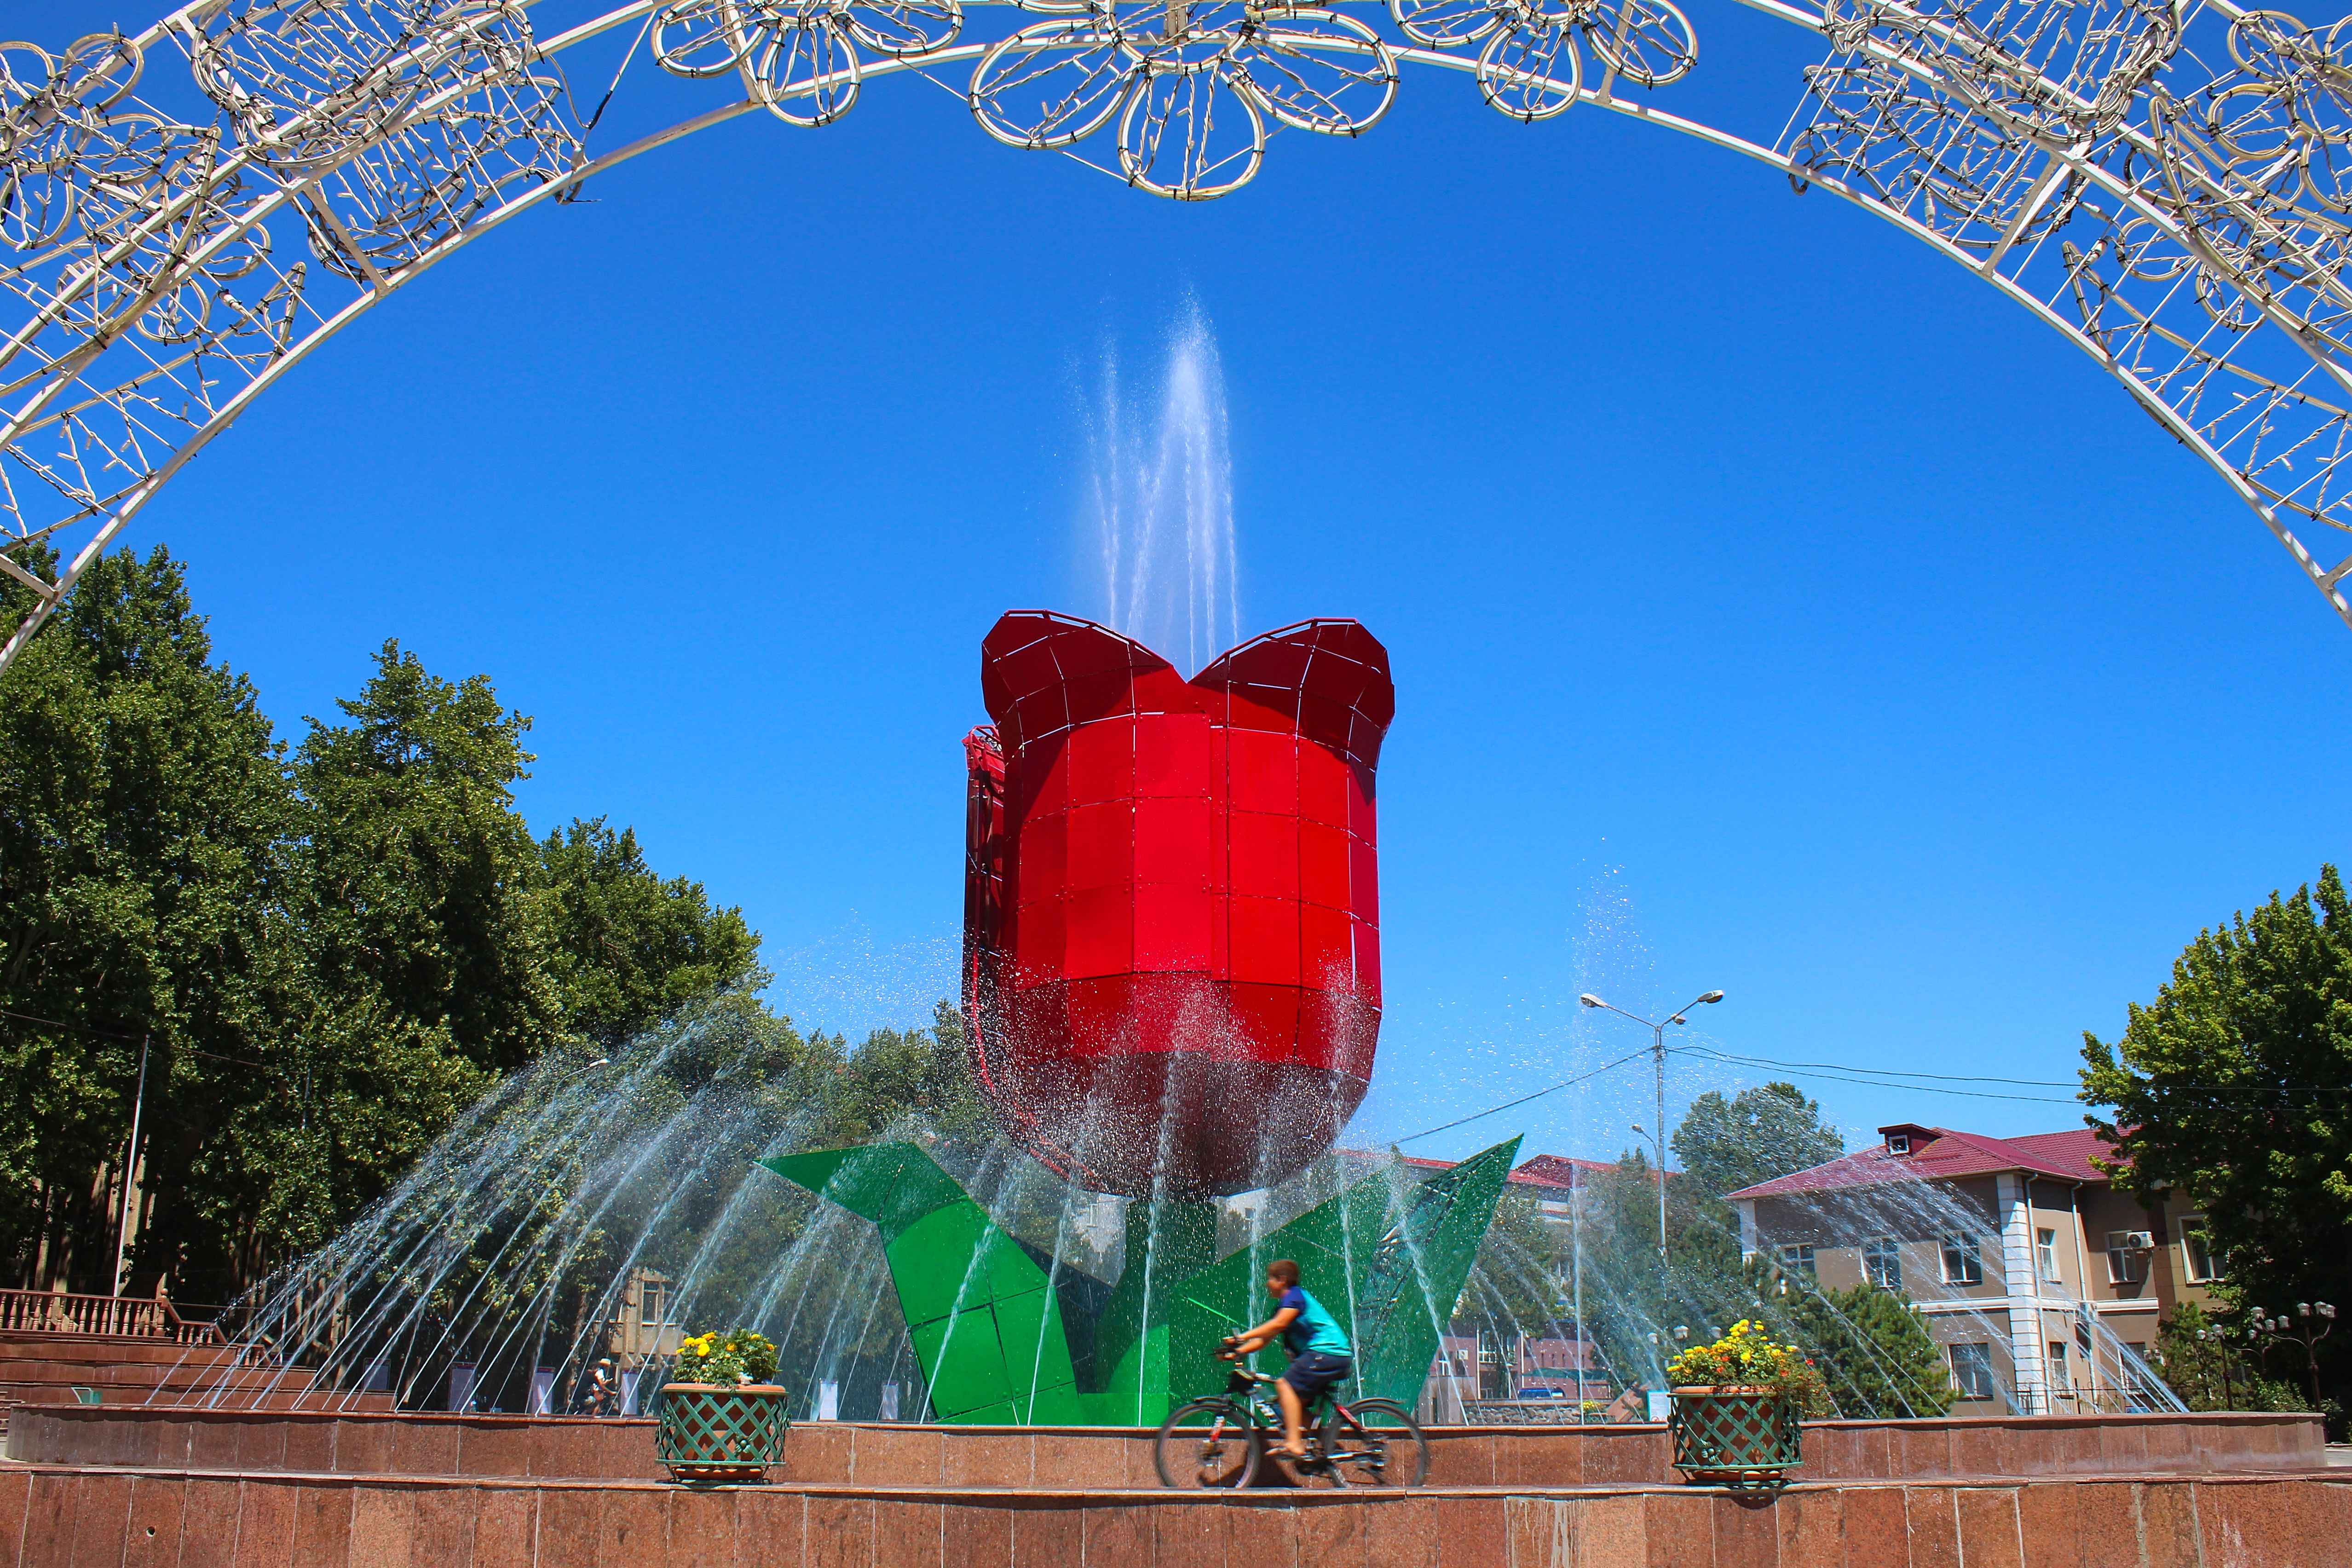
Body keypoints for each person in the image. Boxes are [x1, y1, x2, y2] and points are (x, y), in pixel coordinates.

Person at [1220, 1257, 1353, 1461]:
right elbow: (1263, 1340)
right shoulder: (1286, 1305)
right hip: (1328, 1355)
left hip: (1328, 1352)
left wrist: (1240, 1337)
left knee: (1284, 1385)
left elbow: (1279, 1324)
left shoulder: (1295, 1297)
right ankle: (1327, 1444)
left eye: (1270, 1279)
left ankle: (1294, 1444)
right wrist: (1237, 1352)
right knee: (1291, 1405)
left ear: (1282, 1280)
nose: (1266, 1284)